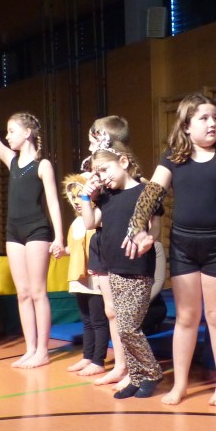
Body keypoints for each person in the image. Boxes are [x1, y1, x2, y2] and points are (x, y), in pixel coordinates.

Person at [124, 93, 216, 407]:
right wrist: (136, 229)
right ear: (186, 126)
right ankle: (180, 384)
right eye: (203, 118)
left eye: (215, 118)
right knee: (185, 317)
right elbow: (150, 196)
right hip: (184, 247)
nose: (212, 124)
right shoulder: (172, 158)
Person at [0, 82, 64, 369]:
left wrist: (59, 237)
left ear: (27, 133)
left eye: (11, 131)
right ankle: (30, 349)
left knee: (38, 292)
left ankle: (43, 351)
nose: (7, 136)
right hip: (13, 232)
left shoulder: (42, 165)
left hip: (37, 230)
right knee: (23, 293)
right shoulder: (11, 160)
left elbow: (53, 203)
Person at [80, 144, 163, 398]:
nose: (103, 177)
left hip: (138, 268)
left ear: (124, 162)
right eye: (98, 173)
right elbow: (89, 223)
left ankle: (152, 372)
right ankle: (136, 377)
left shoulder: (145, 192)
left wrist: (148, 238)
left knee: (128, 327)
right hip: (114, 268)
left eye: (105, 169)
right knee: (123, 328)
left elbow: (156, 226)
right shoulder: (107, 196)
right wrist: (86, 197)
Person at [83, 117, 133, 388]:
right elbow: (90, 221)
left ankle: (132, 367)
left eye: (95, 138)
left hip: (124, 251)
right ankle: (120, 365)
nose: (91, 143)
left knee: (125, 313)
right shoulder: (101, 180)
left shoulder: (128, 181)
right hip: (103, 246)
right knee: (110, 310)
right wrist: (87, 196)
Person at [62, 173, 110, 376]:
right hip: (79, 278)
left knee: (98, 320)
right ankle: (87, 357)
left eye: (80, 195)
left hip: (95, 277)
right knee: (87, 320)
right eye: (73, 197)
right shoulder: (75, 223)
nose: (76, 201)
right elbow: (73, 248)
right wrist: (60, 250)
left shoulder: (98, 218)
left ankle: (98, 360)